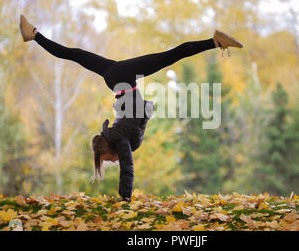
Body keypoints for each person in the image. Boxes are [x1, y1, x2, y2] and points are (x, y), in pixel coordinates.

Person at [19, 14, 243, 202]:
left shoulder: (119, 140)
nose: (112, 161)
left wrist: (125, 197)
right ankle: (34, 34)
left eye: (107, 159)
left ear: (107, 149)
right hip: (115, 77)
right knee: (73, 54)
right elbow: (132, 128)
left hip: (121, 77)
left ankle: (215, 41)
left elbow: (128, 167)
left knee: (171, 55)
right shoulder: (116, 133)